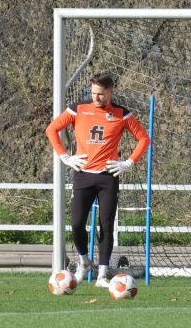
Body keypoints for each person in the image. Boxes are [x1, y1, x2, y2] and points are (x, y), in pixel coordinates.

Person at [45, 72, 151, 287]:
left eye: (101, 94)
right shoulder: (78, 109)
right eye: (94, 93)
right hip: (83, 175)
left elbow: (143, 138)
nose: (96, 98)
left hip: (108, 177)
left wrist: (129, 162)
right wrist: (65, 156)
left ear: (110, 92)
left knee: (106, 225)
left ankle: (102, 276)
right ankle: (84, 262)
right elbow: (52, 129)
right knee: (76, 224)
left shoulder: (122, 114)